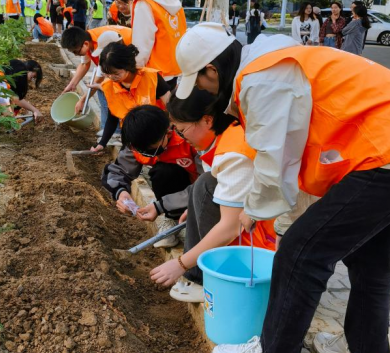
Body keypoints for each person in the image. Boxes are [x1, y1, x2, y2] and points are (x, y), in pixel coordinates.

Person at [173, 22, 390, 353]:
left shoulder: (261, 78)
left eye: (202, 84)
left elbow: (274, 164)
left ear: (211, 70)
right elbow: (296, 150)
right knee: (369, 255)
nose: (205, 93)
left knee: (303, 250)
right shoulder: (272, 56)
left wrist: (252, 211)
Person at [150, 89, 276, 302]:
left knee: (205, 185)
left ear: (207, 120)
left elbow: (229, 228)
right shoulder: (230, 131)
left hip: (264, 244)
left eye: (182, 130)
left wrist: (180, 264)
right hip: (262, 221)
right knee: (202, 187)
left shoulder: (233, 153)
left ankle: (214, 279)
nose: (181, 137)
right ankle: (201, 275)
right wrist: (195, 206)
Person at [102, 104, 202, 248]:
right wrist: (121, 192)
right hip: (173, 195)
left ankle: (179, 218)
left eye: (150, 148)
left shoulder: (189, 140)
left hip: (199, 190)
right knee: (160, 173)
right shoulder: (138, 144)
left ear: (167, 133)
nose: (144, 152)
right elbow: (117, 171)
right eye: (140, 149)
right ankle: (172, 219)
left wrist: (161, 206)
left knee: (165, 172)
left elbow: (209, 183)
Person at [92, 42, 171, 152]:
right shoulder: (109, 85)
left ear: (127, 66)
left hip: (157, 135)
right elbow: (113, 116)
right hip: (131, 138)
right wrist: (102, 143)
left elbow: (171, 106)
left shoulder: (151, 77)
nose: (111, 77)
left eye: (116, 73)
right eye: (107, 74)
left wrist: (168, 128)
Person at [125, 0, 187, 85]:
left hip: (154, 73)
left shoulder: (144, 2)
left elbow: (142, 44)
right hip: (175, 68)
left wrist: (133, 73)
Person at [61, 25, 133, 130]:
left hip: (135, 59)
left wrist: (82, 100)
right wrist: (72, 85)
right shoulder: (86, 39)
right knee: (104, 88)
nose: (76, 55)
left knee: (104, 89)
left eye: (76, 52)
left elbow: (100, 78)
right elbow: (85, 64)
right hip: (121, 66)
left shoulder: (104, 43)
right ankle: (111, 130)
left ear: (85, 44)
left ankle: (113, 131)